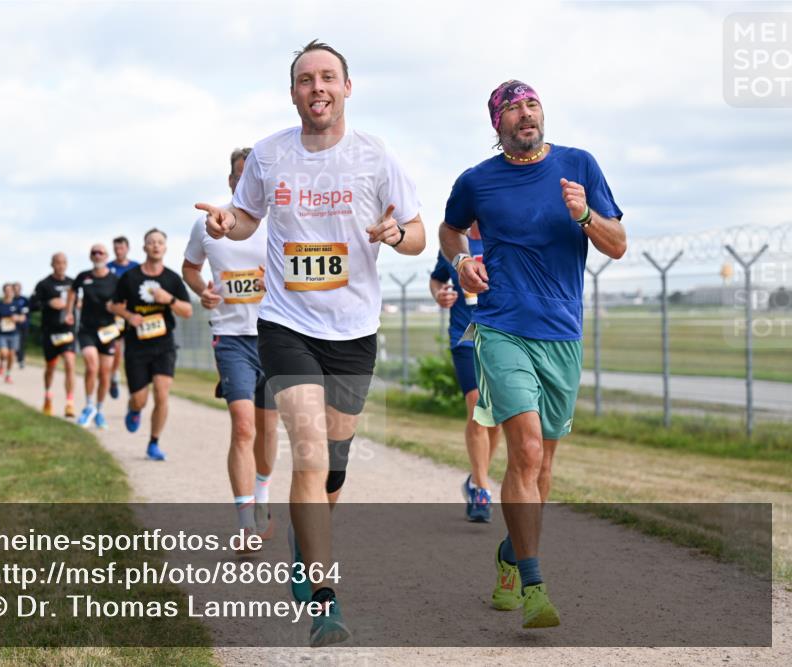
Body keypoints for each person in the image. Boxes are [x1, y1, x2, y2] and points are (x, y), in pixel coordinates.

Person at [195, 40, 424, 647]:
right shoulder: (270, 155)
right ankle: (325, 596)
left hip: (354, 331)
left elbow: (421, 234)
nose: (316, 87)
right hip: (286, 324)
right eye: (304, 79)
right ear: (292, 91)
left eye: (328, 77)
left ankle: (307, 541)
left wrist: (396, 232)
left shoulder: (376, 155)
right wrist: (226, 222)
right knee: (311, 454)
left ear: (348, 87)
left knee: (335, 467)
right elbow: (245, 217)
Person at [440, 79, 626, 629]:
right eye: (513, 108)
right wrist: (462, 262)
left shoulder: (579, 165)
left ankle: (509, 554)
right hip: (500, 328)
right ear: (496, 124)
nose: (525, 114)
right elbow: (450, 234)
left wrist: (584, 215)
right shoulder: (477, 180)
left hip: (562, 335)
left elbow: (617, 244)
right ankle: (535, 585)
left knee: (543, 465)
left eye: (532, 104)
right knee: (522, 452)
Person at [183, 147, 277, 540]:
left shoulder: (279, 221)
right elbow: (190, 267)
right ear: (231, 180)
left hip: (275, 336)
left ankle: (262, 496)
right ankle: (245, 522)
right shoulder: (208, 224)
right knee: (242, 428)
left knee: (268, 430)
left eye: (256, 174)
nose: (248, 181)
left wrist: (274, 281)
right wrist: (203, 290)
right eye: (242, 175)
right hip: (231, 337)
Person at [429, 222, 501, 522]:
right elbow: (437, 280)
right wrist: (440, 295)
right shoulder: (454, 244)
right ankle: (482, 490)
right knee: (477, 407)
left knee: (495, 417)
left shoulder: (505, 237)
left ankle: (475, 478)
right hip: (466, 336)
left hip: (502, 336)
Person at [109, 229, 192, 461]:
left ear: (165, 248)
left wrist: (170, 300)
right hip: (137, 345)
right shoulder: (130, 277)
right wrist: (129, 316)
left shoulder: (172, 279)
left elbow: (187, 311)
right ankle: (134, 409)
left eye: (160, 242)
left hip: (164, 344)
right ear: (144, 248)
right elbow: (113, 305)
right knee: (140, 398)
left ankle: (153, 443)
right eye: (151, 242)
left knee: (162, 393)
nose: (155, 246)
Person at [65, 244, 120, 429]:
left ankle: (99, 410)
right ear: (90, 256)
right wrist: (69, 311)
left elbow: (123, 300)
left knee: (105, 373)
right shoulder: (83, 276)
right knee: (91, 364)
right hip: (87, 329)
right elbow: (72, 291)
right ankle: (88, 406)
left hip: (108, 331)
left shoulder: (114, 279)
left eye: (101, 253)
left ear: (106, 256)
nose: (97, 255)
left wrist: (116, 308)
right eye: (94, 253)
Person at [34, 252, 77, 418]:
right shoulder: (44, 284)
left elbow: (79, 301)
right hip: (50, 332)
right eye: (58, 262)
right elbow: (33, 305)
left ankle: (69, 403)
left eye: (64, 262)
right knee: (50, 368)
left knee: (70, 362)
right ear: (52, 264)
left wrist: (77, 305)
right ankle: (48, 395)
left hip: (67, 330)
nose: (61, 265)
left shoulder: (72, 283)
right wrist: (48, 303)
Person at [107, 236, 140, 399]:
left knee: (134, 351)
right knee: (117, 347)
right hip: (117, 314)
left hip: (134, 313)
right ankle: (114, 375)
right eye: (116, 249)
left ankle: (136, 387)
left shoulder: (136, 268)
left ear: (127, 249)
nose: (118, 251)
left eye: (121, 248)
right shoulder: (108, 268)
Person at [0, 283, 25, 384]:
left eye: (10, 290)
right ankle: (1, 363)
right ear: (4, 292)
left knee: (11, 355)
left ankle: (8, 374)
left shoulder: (16, 304)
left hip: (14, 333)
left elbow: (23, 317)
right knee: (3, 353)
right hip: (2, 333)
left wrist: (18, 318)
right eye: (6, 290)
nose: (9, 292)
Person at [12, 282, 31, 370]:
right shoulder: (11, 300)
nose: (16, 290)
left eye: (18, 288)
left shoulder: (25, 299)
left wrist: (20, 317)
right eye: (14, 289)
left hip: (24, 325)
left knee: (22, 343)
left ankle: (20, 359)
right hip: (13, 326)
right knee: (16, 343)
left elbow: (27, 311)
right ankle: (20, 359)